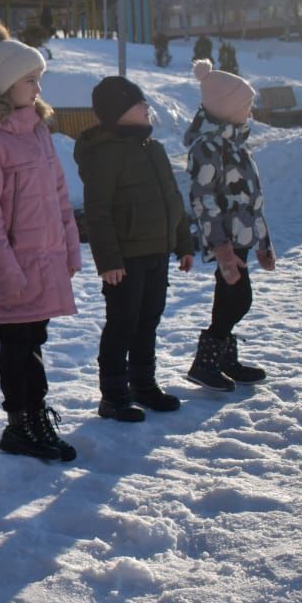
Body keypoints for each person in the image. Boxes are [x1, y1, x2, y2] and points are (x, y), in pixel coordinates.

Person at [0, 22, 80, 461]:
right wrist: (5, 271)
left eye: (38, 79)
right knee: (17, 348)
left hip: (44, 261)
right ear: (7, 85)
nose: (37, 87)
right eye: (30, 80)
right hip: (13, 267)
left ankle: (36, 413)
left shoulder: (38, 132)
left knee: (35, 342)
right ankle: (21, 424)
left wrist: (70, 245)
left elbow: (59, 196)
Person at [73, 76, 194, 423]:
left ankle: (144, 384)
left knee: (148, 321)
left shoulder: (151, 148)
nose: (147, 109)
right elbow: (98, 211)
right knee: (122, 323)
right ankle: (113, 395)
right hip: (124, 259)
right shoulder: (104, 154)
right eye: (140, 104)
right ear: (121, 112)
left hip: (157, 251)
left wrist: (183, 243)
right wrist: (108, 260)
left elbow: (172, 198)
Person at [183, 59, 276, 391]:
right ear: (226, 108)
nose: (250, 110)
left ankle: (223, 358)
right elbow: (203, 200)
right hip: (225, 239)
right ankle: (205, 361)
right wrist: (220, 246)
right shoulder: (206, 148)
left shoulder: (237, 146)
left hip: (242, 238)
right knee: (238, 298)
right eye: (245, 104)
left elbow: (252, 199)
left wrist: (264, 243)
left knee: (233, 298)